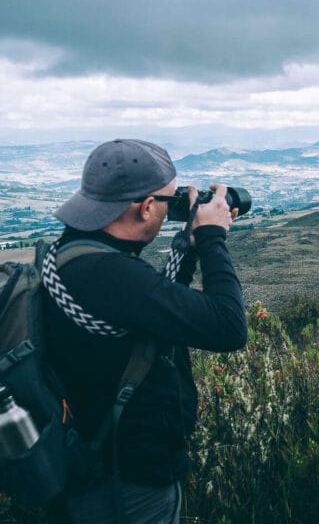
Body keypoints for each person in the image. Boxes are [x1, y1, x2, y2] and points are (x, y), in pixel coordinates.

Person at [44, 139, 247, 523]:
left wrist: (186, 250)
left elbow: (154, 312)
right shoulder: (113, 276)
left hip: (82, 467)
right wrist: (212, 237)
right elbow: (229, 327)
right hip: (127, 483)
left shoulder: (72, 254)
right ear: (147, 206)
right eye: (170, 200)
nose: (174, 208)